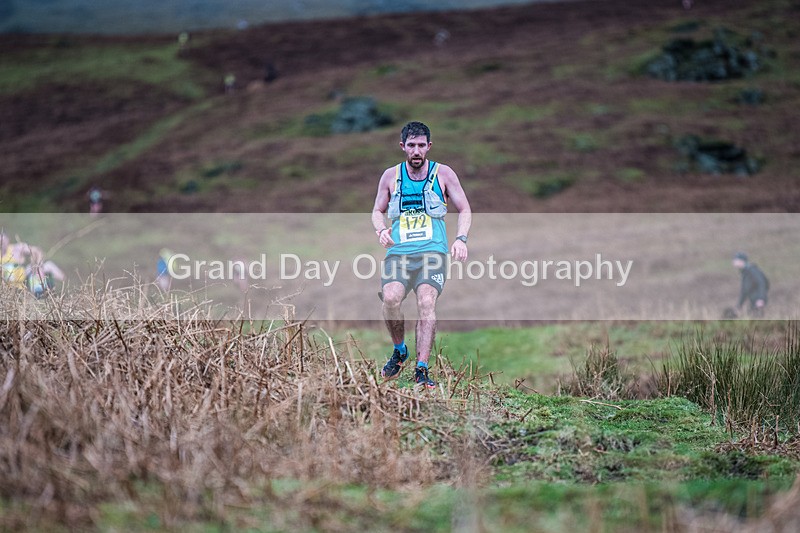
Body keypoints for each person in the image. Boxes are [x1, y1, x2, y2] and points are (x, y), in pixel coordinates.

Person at [371, 121, 472, 389]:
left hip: (432, 253)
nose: (416, 151)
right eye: (411, 145)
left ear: (429, 146)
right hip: (399, 253)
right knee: (390, 299)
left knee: (426, 302)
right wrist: (381, 230)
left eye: (421, 145)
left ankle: (422, 368)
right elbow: (377, 210)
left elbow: (464, 208)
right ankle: (400, 351)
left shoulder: (443, 174)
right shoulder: (390, 176)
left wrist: (461, 239)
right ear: (403, 146)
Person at [732, 252, 769, 317]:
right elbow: (744, 291)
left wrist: (761, 299)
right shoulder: (745, 272)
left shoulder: (752, 270)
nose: (733, 262)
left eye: (735, 260)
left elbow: (761, 283)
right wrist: (738, 306)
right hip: (753, 301)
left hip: (758, 301)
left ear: (741, 261)